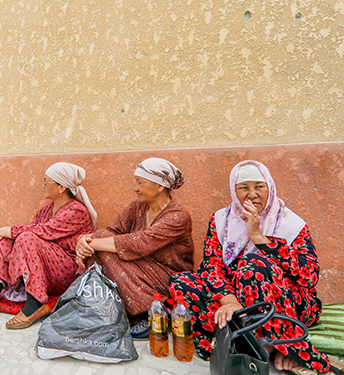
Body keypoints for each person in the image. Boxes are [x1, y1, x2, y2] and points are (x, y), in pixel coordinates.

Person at [169, 160, 331, 373]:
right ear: (234, 191)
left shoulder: (291, 224)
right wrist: (230, 301)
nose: (252, 194)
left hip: (286, 302)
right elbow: (211, 266)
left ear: (270, 188)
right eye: (243, 188)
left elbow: (309, 275)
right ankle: (250, 339)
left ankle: (278, 343)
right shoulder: (221, 220)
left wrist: (258, 237)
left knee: (252, 265)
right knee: (181, 282)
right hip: (237, 299)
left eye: (259, 187)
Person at [0, 162, 96, 329]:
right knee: (9, 239)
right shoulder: (47, 209)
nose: (43, 185)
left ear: (61, 187)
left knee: (26, 237)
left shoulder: (77, 210)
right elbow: (30, 230)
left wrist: (7, 230)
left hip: (66, 272)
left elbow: (43, 231)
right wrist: (2, 235)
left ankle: (36, 303)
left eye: (47, 181)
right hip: (45, 269)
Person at [76, 157, 193, 332]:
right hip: (139, 268)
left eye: (140, 183)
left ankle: (152, 311)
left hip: (167, 276)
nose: (136, 188)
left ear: (160, 185)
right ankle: (102, 306)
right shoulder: (137, 208)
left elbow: (141, 243)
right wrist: (85, 241)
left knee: (102, 246)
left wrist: (92, 244)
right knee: (101, 237)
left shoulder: (178, 216)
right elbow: (113, 231)